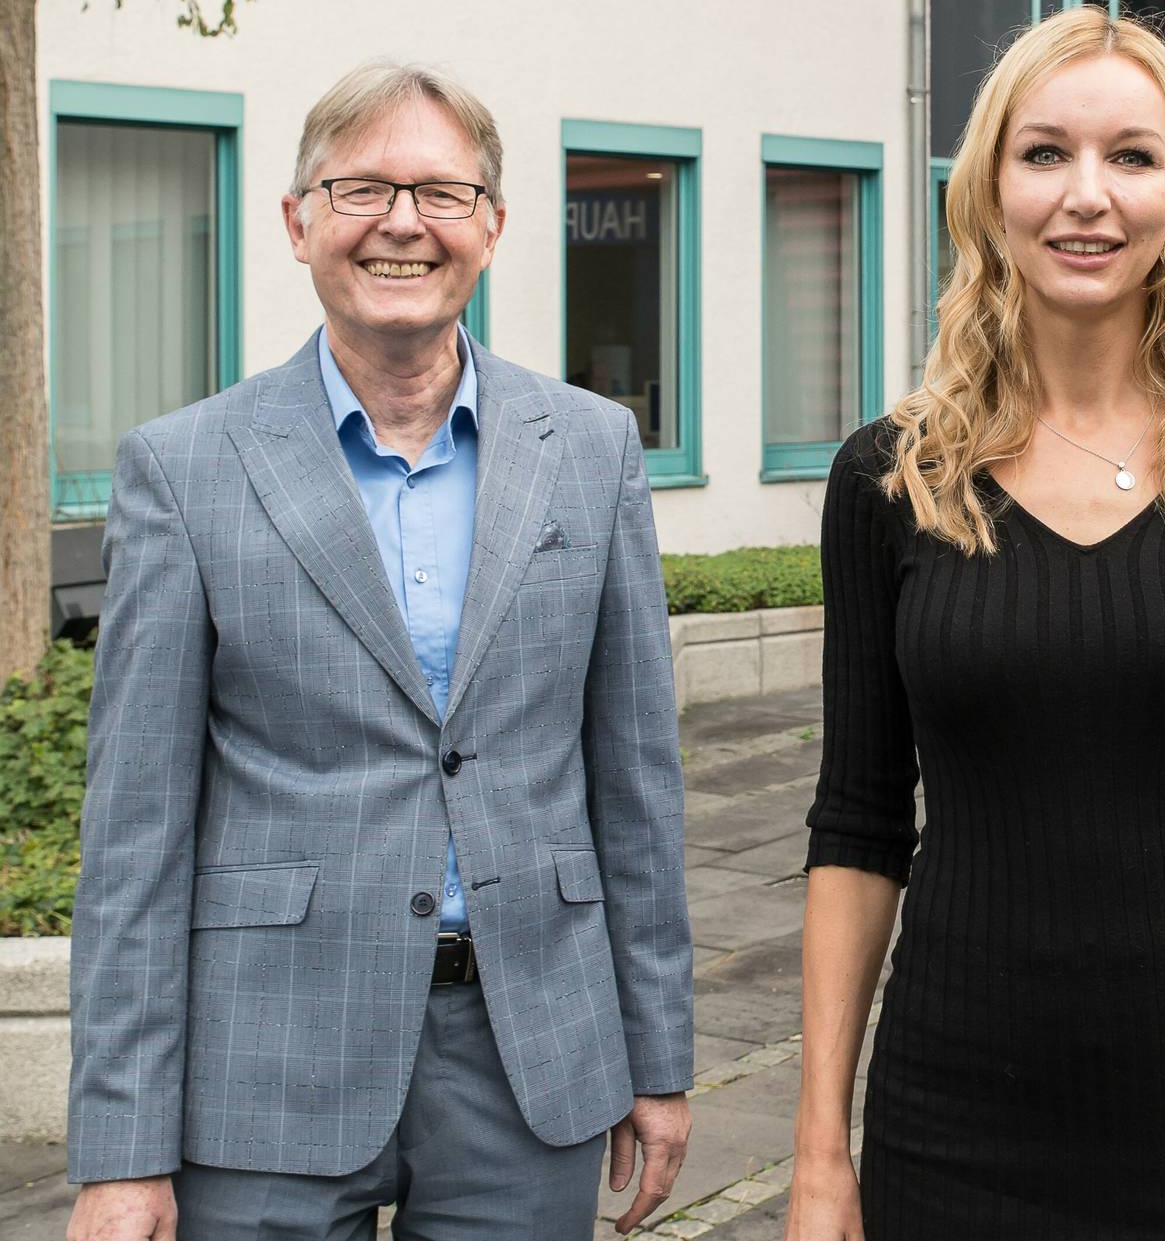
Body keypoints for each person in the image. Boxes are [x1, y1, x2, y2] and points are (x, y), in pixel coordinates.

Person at [66, 62, 695, 1241]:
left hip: (527, 1059)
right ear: (299, 222)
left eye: (442, 192)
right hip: (263, 1066)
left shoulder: (594, 450)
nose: (403, 221)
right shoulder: (185, 466)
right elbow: (136, 835)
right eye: (361, 188)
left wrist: (658, 1057)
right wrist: (121, 1149)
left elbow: (636, 785)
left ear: (492, 228)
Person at [785, 7, 1165, 1241]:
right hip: (954, 1111)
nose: (1086, 197)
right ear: (991, 186)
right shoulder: (890, 478)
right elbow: (857, 823)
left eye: (1132, 156)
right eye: (1045, 153)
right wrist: (818, 1154)